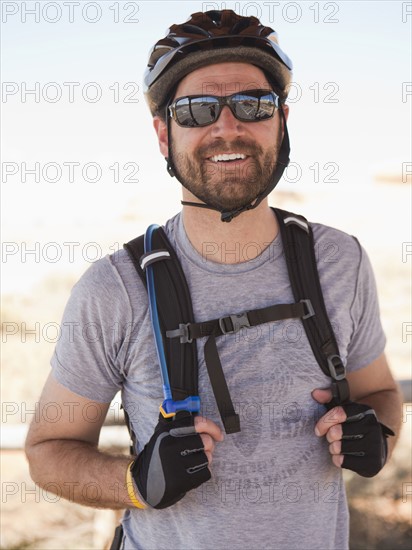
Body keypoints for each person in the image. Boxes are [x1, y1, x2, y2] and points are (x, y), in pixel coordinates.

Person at [25, 9, 402, 550]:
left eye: (253, 104)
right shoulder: (115, 289)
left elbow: (382, 393)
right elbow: (47, 451)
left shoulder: (340, 260)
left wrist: (378, 434)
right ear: (163, 134)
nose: (227, 127)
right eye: (197, 109)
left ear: (282, 121)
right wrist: (134, 482)